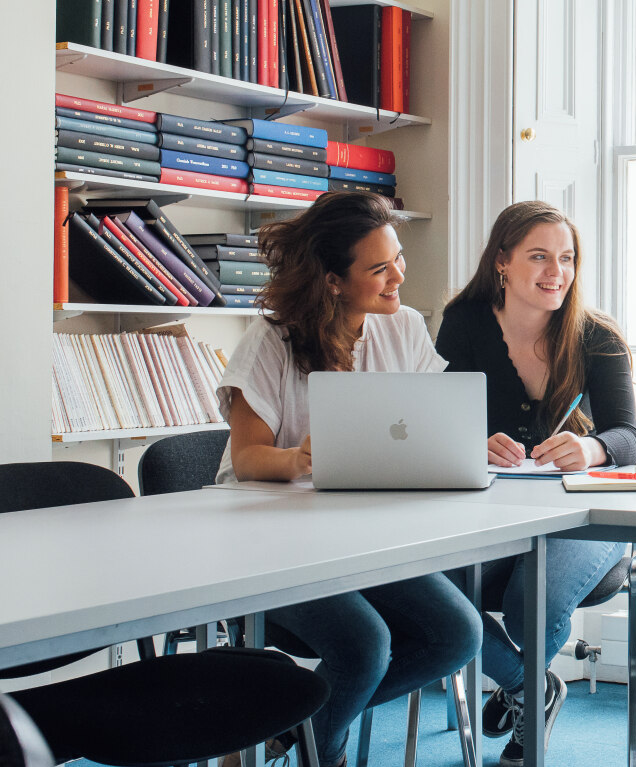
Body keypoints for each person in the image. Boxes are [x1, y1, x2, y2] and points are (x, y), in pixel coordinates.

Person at [214, 192, 483, 767]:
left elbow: (425, 426)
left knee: (458, 635)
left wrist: (461, 444)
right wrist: (298, 459)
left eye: (398, 258)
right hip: (268, 545)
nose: (399, 276)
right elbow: (247, 459)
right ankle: (323, 752)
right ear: (333, 281)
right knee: (364, 647)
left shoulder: (405, 327)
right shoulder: (271, 341)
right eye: (379, 268)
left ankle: (291, 733)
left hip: (364, 539)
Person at [435, 201, 636, 766]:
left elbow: (631, 436)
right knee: (426, 590)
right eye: (540, 257)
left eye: (567, 258)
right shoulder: (464, 323)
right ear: (502, 261)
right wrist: (471, 443)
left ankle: (517, 696)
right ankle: (530, 688)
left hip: (587, 513)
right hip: (490, 512)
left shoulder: (597, 336)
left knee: (532, 601)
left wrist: (591, 448)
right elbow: (435, 421)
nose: (557, 272)